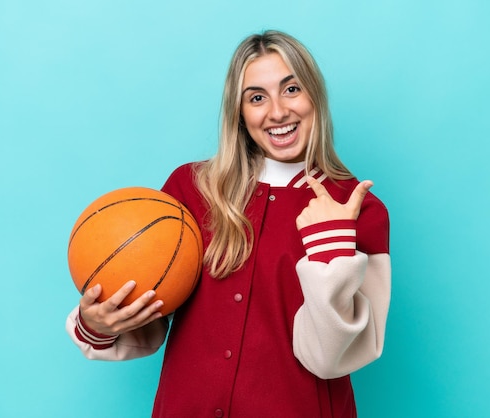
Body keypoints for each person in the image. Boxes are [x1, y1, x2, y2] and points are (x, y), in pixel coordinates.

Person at [66, 30, 391, 418]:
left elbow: (329, 358)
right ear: (239, 112)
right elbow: (149, 316)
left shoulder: (359, 210)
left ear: (314, 95)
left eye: (291, 89)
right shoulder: (189, 189)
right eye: (257, 97)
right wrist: (97, 322)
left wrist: (330, 246)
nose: (277, 112)